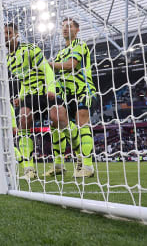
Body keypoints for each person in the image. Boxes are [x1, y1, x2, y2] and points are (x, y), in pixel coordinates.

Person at [4, 22, 63, 180]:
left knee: (58, 118)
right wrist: (20, 97)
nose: (5, 36)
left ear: (16, 35)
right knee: (23, 117)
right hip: (30, 96)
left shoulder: (30, 49)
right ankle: (29, 169)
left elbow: (47, 68)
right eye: (3, 33)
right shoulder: (8, 60)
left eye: (9, 33)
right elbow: (24, 81)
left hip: (45, 92)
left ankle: (60, 163)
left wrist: (51, 88)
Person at [48, 18, 96, 178]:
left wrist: (50, 65)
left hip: (82, 90)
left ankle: (87, 167)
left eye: (69, 26)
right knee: (56, 122)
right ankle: (61, 164)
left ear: (77, 30)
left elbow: (71, 65)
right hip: (64, 93)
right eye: (63, 27)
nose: (65, 29)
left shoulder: (80, 45)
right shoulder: (60, 53)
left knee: (82, 123)